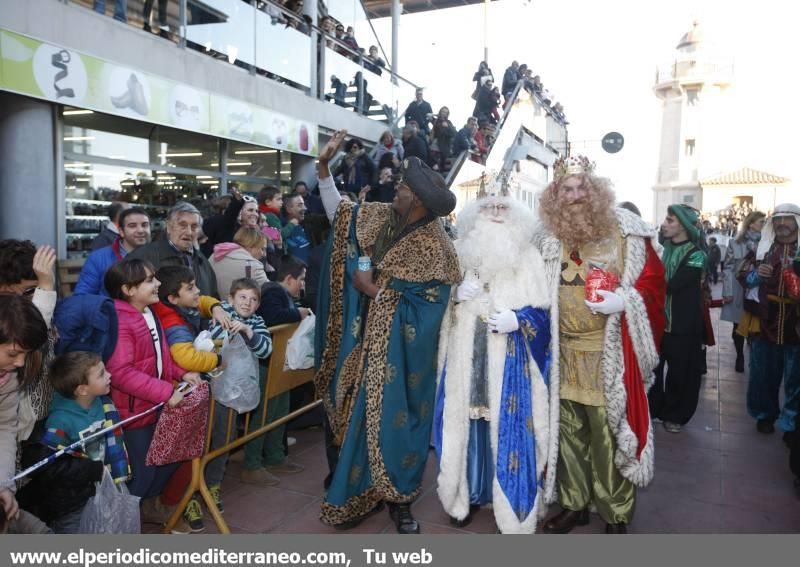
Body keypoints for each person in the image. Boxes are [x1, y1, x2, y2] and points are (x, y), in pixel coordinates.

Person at [315, 131, 460, 533]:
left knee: (397, 425)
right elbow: (339, 216)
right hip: (359, 342)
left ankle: (400, 500)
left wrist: (373, 290)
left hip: (400, 356)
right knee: (347, 415)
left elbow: (430, 310)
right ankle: (358, 494)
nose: (395, 189)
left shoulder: (439, 250)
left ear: (416, 199)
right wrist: (324, 168)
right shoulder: (378, 216)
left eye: (401, 186)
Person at [534, 155, 665, 534]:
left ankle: (615, 510)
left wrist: (626, 301)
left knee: (608, 434)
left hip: (609, 353)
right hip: (563, 352)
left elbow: (653, 283)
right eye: (566, 190)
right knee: (569, 433)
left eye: (580, 188)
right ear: (555, 197)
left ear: (594, 191)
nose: (574, 197)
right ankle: (574, 503)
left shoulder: (626, 231)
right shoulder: (546, 238)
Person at [434, 180, 552, 533]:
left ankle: (508, 502)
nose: (496, 214)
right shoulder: (457, 251)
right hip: (465, 353)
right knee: (466, 422)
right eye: (489, 207)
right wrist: (453, 295)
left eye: (503, 207)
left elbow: (543, 314)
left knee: (503, 424)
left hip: (508, 357)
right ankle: (465, 495)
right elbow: (435, 307)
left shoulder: (528, 255)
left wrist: (520, 320)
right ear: (476, 212)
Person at [103, 258, 202, 520]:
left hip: (153, 404)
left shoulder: (149, 312)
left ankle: (143, 510)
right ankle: (121, 524)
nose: (157, 283)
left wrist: (181, 373)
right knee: (143, 472)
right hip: (134, 414)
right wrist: (167, 392)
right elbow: (121, 373)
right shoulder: (122, 320)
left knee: (167, 457)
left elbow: (160, 356)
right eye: (149, 280)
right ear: (128, 289)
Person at [17, 352, 129, 533]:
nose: (109, 375)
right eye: (101, 374)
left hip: (101, 487)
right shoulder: (60, 421)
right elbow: (53, 466)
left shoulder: (104, 403)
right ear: (82, 389)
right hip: (72, 503)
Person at [648, 205, 707, 434]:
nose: (664, 224)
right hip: (657, 323)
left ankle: (675, 414)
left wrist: (649, 280)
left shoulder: (697, 254)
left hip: (682, 326)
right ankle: (654, 409)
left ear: (683, 225)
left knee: (680, 373)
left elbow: (671, 285)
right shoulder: (660, 249)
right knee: (653, 369)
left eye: (670, 220)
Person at [744, 204, 800, 438]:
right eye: (777, 220)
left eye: (787, 219)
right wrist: (757, 275)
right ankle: (764, 415)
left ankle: (791, 424)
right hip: (766, 319)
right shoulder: (761, 248)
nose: (781, 224)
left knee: (795, 379)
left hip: (796, 323)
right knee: (763, 373)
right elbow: (742, 276)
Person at [0, 295, 49, 527]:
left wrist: (4, 485)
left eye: (26, 354)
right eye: (13, 353)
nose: (20, 363)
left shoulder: (7, 379)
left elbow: (4, 428)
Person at [128, 202, 219, 297]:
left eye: (194, 226)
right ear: (168, 227)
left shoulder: (202, 260)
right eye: (182, 225)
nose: (189, 232)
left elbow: (213, 295)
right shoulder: (143, 257)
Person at [721, 211, 765, 372]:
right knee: (738, 325)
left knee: (757, 323)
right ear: (751, 223)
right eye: (761, 221)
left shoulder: (768, 243)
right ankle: (740, 355)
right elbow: (727, 267)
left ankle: (754, 356)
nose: (764, 224)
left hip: (759, 288)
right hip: (739, 287)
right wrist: (728, 291)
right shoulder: (735, 242)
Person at [75, 207, 151, 296]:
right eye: (132, 226)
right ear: (121, 231)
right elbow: (83, 296)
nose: (140, 230)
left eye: (145, 225)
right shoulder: (98, 258)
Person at [209, 227, 271, 297]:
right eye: (262, 249)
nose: (264, 254)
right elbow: (271, 292)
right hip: (241, 307)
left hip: (211, 305)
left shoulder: (215, 254)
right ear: (251, 245)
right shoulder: (254, 266)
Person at [281, 193, 311, 264]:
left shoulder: (307, 224)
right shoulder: (278, 227)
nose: (305, 208)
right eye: (300, 205)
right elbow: (272, 235)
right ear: (288, 209)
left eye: (303, 204)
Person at [430, 107, 457, 173]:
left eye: (445, 112)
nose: (444, 113)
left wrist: (448, 126)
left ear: (447, 114)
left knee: (442, 168)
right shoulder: (436, 121)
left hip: (444, 147)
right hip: (435, 146)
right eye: (442, 111)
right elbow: (428, 116)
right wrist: (435, 115)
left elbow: (454, 133)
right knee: (434, 166)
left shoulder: (448, 122)